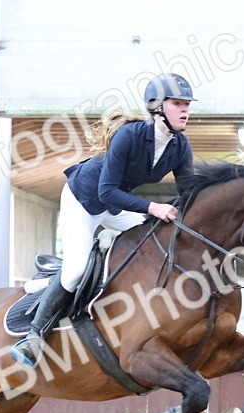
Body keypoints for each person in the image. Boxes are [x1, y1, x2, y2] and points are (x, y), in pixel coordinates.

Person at [10, 73, 198, 367]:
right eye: (178, 103)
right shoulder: (130, 136)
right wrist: (152, 207)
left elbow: (189, 193)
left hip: (114, 205)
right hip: (83, 199)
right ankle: (34, 336)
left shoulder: (179, 146)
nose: (185, 109)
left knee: (154, 242)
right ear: (157, 107)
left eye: (187, 104)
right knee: (74, 271)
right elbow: (106, 191)